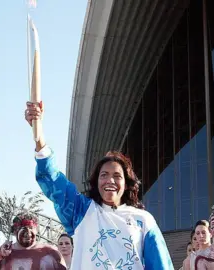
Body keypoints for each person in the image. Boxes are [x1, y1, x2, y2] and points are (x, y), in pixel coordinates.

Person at [25, 102, 173, 269]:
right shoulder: (82, 211)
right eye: (104, 175)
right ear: (96, 182)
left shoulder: (143, 220)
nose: (110, 180)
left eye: (117, 176)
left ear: (126, 184)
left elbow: (161, 266)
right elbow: (53, 180)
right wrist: (39, 135)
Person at [0, 211, 66, 270]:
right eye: (21, 228)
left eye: (31, 228)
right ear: (14, 231)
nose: (27, 232)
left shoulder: (51, 252)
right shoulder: (3, 254)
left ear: (36, 230)